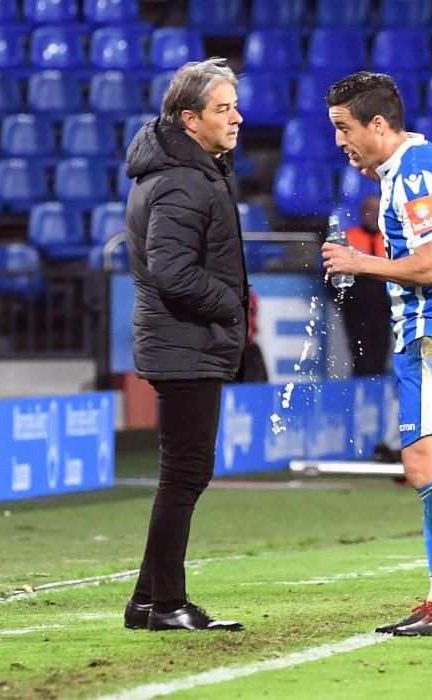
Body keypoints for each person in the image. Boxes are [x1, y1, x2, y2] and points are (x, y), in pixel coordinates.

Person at [322, 71, 432, 636]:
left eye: (345, 128)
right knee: (424, 462)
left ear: (378, 124)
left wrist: (360, 262)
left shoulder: (413, 175)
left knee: (427, 461)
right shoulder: (405, 168)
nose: (340, 141)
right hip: (428, 332)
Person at [122, 58, 247, 632]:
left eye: (235, 106)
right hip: (184, 340)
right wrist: (231, 306)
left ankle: (149, 600)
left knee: (187, 471)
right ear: (190, 119)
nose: (237, 118)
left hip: (182, 340)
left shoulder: (187, 171)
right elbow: (172, 271)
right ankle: (166, 602)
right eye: (223, 109)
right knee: (185, 471)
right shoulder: (181, 179)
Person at [333, 194, 392, 376]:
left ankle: (379, 394)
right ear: (362, 213)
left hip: (384, 307)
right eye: (370, 211)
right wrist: (343, 300)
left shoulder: (390, 239)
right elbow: (332, 273)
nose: (374, 215)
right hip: (356, 308)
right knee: (359, 354)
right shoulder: (348, 238)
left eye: (377, 211)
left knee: (382, 351)